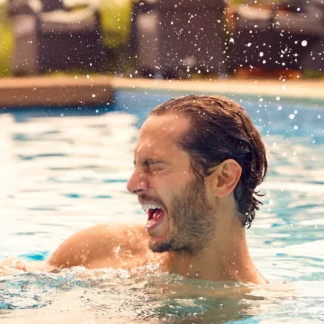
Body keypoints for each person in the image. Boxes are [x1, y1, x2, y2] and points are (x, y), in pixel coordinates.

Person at [46, 95, 268, 284]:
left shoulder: (251, 309)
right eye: (137, 165)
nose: (133, 185)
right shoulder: (99, 250)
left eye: (154, 166)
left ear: (222, 179)